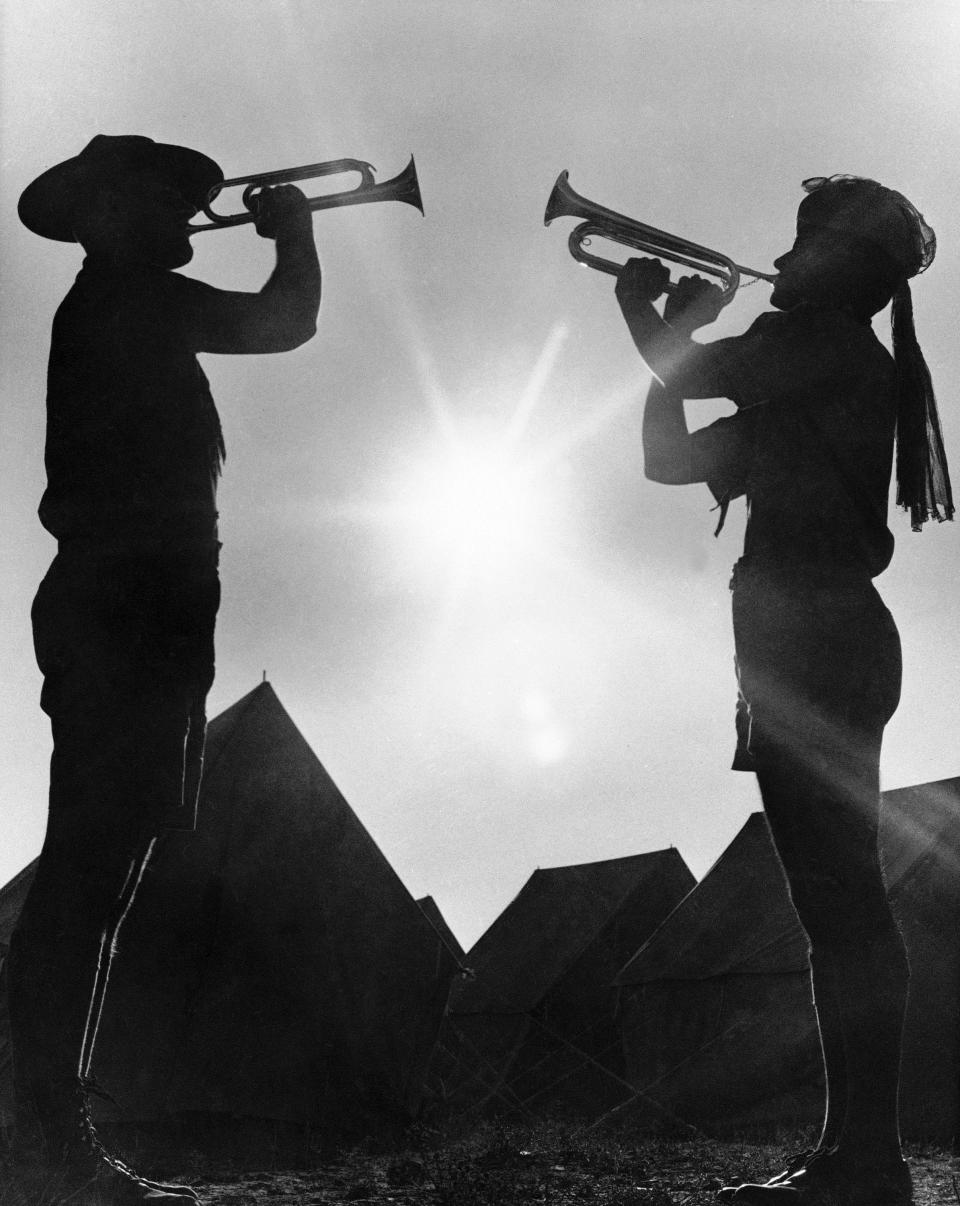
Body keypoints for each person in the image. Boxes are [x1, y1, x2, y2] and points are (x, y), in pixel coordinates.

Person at [614, 175, 951, 1205]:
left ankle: (869, 1161)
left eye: (805, 243)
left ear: (844, 265)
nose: (784, 256)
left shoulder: (826, 351)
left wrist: (652, 318)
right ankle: (853, 1154)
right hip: (797, 642)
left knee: (843, 904)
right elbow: (668, 461)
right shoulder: (810, 379)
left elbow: (696, 365)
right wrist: (665, 345)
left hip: (816, 640)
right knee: (830, 905)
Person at [9, 134, 321, 1204]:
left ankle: (51, 1127)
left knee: (106, 876)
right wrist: (300, 237)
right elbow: (285, 323)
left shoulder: (127, 305)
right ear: (113, 214)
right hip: (127, 607)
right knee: (86, 879)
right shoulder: (128, 303)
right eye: (167, 204)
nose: (192, 218)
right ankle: (42, 1134)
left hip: (151, 608)